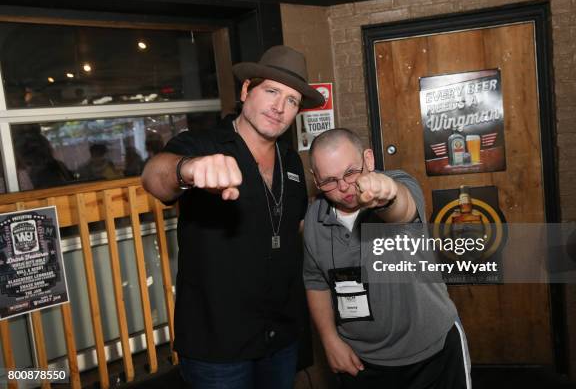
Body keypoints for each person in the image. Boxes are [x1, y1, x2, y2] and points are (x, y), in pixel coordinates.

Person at [141, 45, 324, 389]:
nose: (279, 107)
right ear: (245, 91)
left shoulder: (292, 161)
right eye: (271, 91)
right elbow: (155, 177)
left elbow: (295, 227)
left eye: (291, 100)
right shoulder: (203, 144)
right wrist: (188, 169)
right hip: (218, 347)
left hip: (281, 338)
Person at [303, 128, 471, 389]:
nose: (344, 187)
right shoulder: (314, 218)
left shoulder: (400, 183)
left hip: (432, 353)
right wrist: (329, 339)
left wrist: (387, 195)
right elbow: (316, 281)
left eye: (350, 172)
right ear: (316, 179)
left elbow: (402, 209)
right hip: (361, 362)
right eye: (329, 181)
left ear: (368, 160)